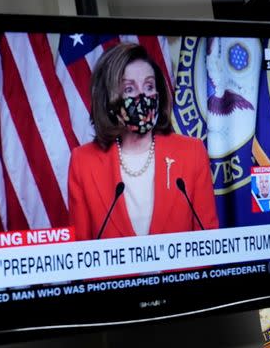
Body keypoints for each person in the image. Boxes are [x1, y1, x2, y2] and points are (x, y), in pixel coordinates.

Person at [68, 43, 219, 240]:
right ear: (109, 100)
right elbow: (81, 251)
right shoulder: (83, 161)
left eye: (149, 86)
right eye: (129, 89)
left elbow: (208, 241)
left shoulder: (191, 152)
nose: (143, 96)